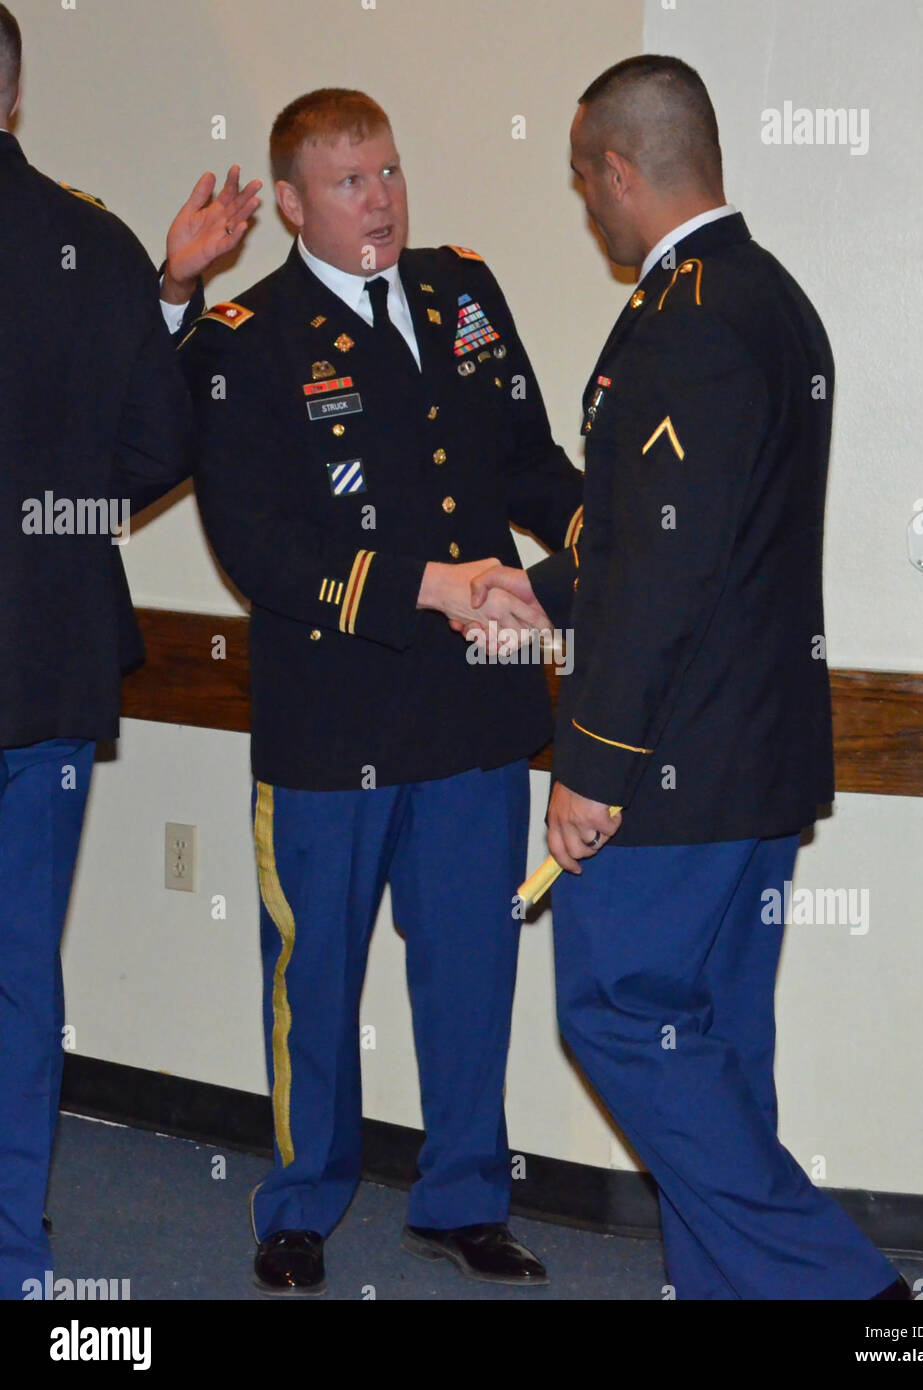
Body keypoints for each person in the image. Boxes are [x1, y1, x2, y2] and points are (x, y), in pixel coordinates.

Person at [473, 55, 911, 1300]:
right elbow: (676, 531)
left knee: (613, 1013)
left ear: (620, 168)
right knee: (707, 1047)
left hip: (668, 764)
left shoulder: (690, 317)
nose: (584, 206)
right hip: (749, 761)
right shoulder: (766, 297)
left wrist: (587, 762)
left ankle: (854, 1293)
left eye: (579, 179)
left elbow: (668, 569)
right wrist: (537, 592)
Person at [160, 88, 584, 1296]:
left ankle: (462, 1197)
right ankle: (299, 1207)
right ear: (288, 203)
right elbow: (259, 548)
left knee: (469, 968)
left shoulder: (462, 290)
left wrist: (592, 534)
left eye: (390, 173)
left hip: (473, 713)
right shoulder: (246, 335)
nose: (381, 203)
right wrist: (428, 585)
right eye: (349, 183)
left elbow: (523, 459)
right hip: (331, 720)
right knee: (315, 978)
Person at [0, 3, 220, 1300]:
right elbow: (158, 448)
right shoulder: (93, 242)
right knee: (23, 979)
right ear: (15, 96)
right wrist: (64, 518)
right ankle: (14, 1259)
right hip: (53, 671)